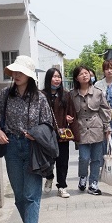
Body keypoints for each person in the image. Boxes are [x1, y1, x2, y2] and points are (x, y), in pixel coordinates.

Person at [0, 55, 53, 223]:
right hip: (12, 147)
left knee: (31, 194)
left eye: (20, 72)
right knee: (19, 195)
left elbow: (48, 124)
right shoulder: (5, 95)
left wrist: (36, 134)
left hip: (33, 148)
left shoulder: (39, 98)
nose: (16, 75)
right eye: (14, 72)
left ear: (29, 75)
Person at [70, 65, 111, 195]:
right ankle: (83, 176)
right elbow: (69, 111)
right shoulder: (72, 94)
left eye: (86, 73)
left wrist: (107, 127)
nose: (85, 75)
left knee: (96, 158)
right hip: (81, 129)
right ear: (76, 78)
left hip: (96, 128)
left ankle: (93, 183)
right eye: (81, 74)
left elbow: (105, 110)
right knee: (84, 157)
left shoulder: (98, 92)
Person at [41, 68, 77, 198]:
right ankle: (49, 177)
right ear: (48, 78)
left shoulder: (66, 95)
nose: (57, 79)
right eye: (54, 77)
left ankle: (62, 186)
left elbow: (72, 112)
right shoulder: (42, 95)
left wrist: (69, 118)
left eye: (59, 77)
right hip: (46, 134)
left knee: (62, 161)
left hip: (61, 134)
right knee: (47, 160)